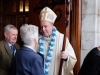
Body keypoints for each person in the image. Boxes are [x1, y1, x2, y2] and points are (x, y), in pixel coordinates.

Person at [35, 6, 77, 75]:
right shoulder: (37, 39)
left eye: (45, 26)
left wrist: (66, 58)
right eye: (41, 26)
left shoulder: (62, 39)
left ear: (52, 25)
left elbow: (73, 58)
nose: (43, 29)